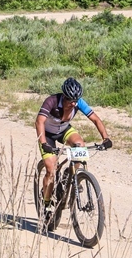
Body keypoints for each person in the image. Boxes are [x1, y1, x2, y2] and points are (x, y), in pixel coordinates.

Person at [35, 77, 112, 222]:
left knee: (80, 145)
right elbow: (39, 121)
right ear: (64, 97)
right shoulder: (51, 101)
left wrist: (105, 138)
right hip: (47, 134)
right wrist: (44, 142)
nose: (74, 103)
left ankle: (70, 175)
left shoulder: (78, 102)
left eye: (76, 100)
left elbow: (95, 119)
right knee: (51, 169)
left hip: (64, 130)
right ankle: (46, 204)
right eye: (71, 100)